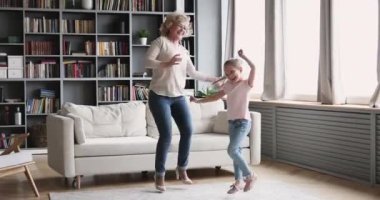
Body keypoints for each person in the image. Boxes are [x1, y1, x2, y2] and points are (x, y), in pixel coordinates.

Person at [145, 12, 219, 192]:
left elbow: (193, 73)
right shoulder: (160, 42)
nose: (183, 30)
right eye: (181, 26)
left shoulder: (184, 50)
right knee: (166, 136)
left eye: (186, 28)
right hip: (159, 96)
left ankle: (182, 168)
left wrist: (213, 78)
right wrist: (166, 64)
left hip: (179, 96)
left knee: (188, 130)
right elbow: (147, 62)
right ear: (170, 25)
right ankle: (160, 175)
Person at [192, 49, 257, 194]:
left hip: (243, 122)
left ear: (240, 69)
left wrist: (243, 56)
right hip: (232, 123)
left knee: (232, 150)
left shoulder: (247, 83)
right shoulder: (227, 85)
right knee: (236, 151)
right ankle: (238, 182)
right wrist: (198, 101)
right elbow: (215, 97)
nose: (230, 76)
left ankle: (250, 176)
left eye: (232, 72)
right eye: (227, 74)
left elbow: (254, 67)